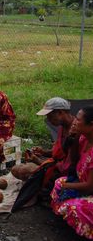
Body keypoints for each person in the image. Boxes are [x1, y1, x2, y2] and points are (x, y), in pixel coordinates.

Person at [50, 106, 93, 240]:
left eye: (78, 120)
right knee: (58, 183)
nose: (74, 121)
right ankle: (69, 218)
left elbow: (89, 186)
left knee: (75, 208)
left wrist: (69, 186)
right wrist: (75, 137)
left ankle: (84, 232)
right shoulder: (84, 138)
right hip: (82, 184)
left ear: (91, 125)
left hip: (89, 189)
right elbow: (74, 158)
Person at [12, 98, 75, 183]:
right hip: (56, 164)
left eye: (50, 116)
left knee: (22, 170)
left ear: (60, 112)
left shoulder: (75, 132)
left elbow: (67, 167)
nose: (48, 120)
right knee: (16, 169)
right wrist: (44, 152)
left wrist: (39, 161)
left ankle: (44, 186)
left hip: (66, 173)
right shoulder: (62, 127)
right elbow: (59, 151)